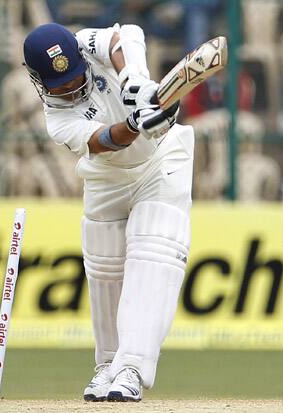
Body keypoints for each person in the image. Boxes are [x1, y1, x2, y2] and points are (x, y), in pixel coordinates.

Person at [23, 22, 194, 402]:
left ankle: (132, 367)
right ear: (38, 80)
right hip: (106, 177)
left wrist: (134, 82)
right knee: (104, 271)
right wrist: (135, 123)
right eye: (60, 82)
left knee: (155, 252)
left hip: (161, 161)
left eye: (73, 76)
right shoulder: (56, 120)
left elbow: (126, 35)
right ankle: (107, 366)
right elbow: (103, 141)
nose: (71, 87)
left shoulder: (87, 44)